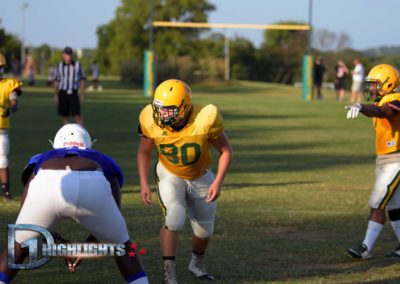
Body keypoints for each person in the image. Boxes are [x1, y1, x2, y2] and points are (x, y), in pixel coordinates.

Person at [0, 124, 149, 284]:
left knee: (17, 247)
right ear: (90, 145)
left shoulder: (43, 158)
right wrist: (86, 247)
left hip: (46, 181)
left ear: (55, 146)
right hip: (91, 182)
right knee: (123, 249)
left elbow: (26, 208)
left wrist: (52, 239)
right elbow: (114, 209)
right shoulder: (100, 158)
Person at [137, 79, 233, 283]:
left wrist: (218, 182)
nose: (161, 115)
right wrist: (144, 183)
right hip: (170, 173)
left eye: (168, 110)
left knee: (205, 229)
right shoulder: (149, 119)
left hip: (201, 174)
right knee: (174, 217)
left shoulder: (205, 118)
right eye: (159, 109)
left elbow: (226, 151)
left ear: (184, 107)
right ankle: (169, 271)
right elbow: (144, 152)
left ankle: (196, 263)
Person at [345, 64, 400, 260]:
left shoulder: (394, 98)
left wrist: (362, 107)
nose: (371, 89)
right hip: (386, 159)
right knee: (394, 206)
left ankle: (366, 247)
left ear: (388, 83)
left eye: (375, 84)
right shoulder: (384, 99)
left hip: (396, 159)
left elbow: (385, 111)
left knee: (377, 202)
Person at [0, 53, 22, 201]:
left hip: (1, 127)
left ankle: (6, 192)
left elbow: (15, 103)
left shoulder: (9, 84)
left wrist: (10, 109)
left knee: (2, 160)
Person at [54, 47, 85, 125]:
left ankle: (83, 135)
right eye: (67, 54)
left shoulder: (78, 65)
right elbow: (56, 81)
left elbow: (82, 80)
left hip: (73, 93)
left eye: (69, 55)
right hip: (63, 93)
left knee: (77, 116)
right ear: (63, 55)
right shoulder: (59, 66)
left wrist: (82, 94)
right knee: (65, 117)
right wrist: (56, 95)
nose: (68, 57)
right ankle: (67, 136)